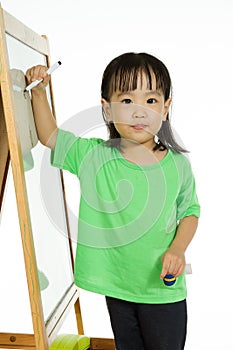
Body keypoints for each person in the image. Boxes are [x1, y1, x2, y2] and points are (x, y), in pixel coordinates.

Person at [26, 52, 200, 350]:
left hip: (162, 291)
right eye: (127, 101)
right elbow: (50, 136)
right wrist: (38, 92)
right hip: (118, 291)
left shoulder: (177, 165)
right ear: (107, 109)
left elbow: (190, 211)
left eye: (151, 100)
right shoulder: (93, 156)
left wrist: (178, 248)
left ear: (166, 108)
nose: (139, 111)